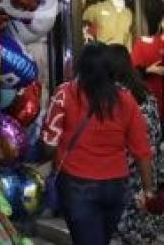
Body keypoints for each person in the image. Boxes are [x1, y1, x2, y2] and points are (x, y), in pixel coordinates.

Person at [42, 43, 155, 245]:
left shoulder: (64, 94)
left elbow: (49, 144)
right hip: (116, 188)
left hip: (76, 185)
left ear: (80, 67)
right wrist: (148, 191)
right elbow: (142, 150)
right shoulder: (126, 99)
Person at [107, 44, 164, 243]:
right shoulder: (147, 94)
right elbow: (157, 138)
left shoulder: (113, 98)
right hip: (149, 175)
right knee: (146, 230)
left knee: (122, 231)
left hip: (123, 175)